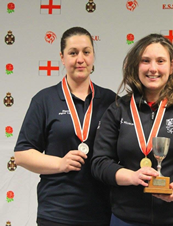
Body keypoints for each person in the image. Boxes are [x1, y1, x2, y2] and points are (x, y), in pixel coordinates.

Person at [91, 33, 173, 226]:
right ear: (136, 66)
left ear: (171, 66)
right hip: (127, 218)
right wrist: (132, 177)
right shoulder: (118, 110)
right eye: (145, 61)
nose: (153, 68)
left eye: (160, 61)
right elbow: (99, 162)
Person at [14, 27, 115, 226]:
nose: (80, 59)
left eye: (86, 52)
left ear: (93, 55)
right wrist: (60, 163)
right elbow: (22, 154)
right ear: (62, 57)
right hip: (57, 212)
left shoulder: (110, 100)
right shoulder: (44, 100)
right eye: (73, 53)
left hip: (102, 211)